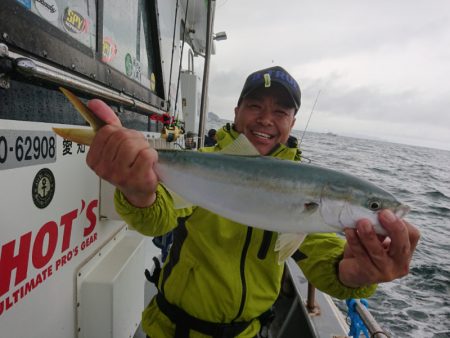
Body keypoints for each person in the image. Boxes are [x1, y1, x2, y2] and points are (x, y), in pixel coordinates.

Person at [85, 66, 420, 338]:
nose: (266, 118)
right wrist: (139, 193)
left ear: (292, 122)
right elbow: (156, 220)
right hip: (173, 330)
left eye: (280, 111)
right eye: (255, 105)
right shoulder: (201, 162)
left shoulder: (309, 198)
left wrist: (356, 274)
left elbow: (325, 260)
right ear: (237, 111)